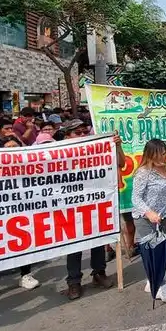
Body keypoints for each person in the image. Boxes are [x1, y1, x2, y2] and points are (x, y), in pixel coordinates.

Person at [0, 135, 41, 303]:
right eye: (8, 148)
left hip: (22, 211)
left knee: (23, 241)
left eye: (15, 147)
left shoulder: (28, 166)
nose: (12, 150)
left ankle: (25, 275)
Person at [61, 119, 113, 299]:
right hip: (70, 205)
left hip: (95, 201)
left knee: (98, 239)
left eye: (85, 132)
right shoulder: (57, 152)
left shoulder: (96, 149)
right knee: (74, 244)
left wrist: (114, 146)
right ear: (67, 136)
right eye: (77, 133)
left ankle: (99, 273)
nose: (83, 135)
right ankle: (74, 281)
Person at [131, 139, 166, 303]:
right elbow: (136, 198)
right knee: (154, 254)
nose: (162, 158)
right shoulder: (143, 173)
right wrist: (149, 212)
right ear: (150, 155)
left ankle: (152, 282)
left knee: (160, 250)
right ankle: (161, 287)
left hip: (163, 217)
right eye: (158, 155)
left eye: (164, 154)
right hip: (145, 219)